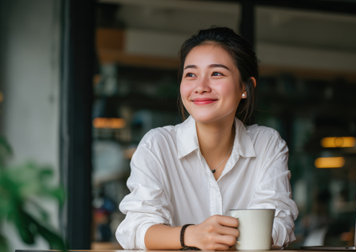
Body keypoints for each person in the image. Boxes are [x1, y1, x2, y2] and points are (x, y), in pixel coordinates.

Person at [115, 26, 298, 250]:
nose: (200, 87)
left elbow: (280, 222)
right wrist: (191, 235)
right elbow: (135, 229)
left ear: (245, 87)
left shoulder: (267, 144)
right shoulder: (158, 145)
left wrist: (241, 237)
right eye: (191, 74)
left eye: (217, 73)